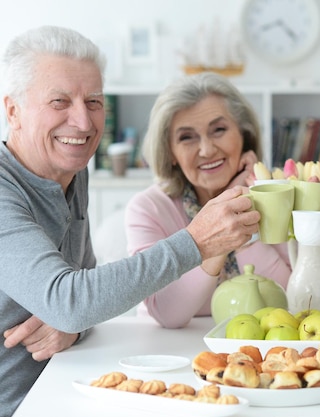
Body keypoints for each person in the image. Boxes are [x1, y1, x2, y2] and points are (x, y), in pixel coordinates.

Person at [0, 26, 258, 417]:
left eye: (93, 101)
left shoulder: (70, 171)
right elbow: (72, 300)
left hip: (63, 385)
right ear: (13, 111)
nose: (83, 123)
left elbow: (80, 298)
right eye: (59, 102)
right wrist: (197, 241)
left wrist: (73, 325)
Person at [125, 72, 291, 328]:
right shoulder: (147, 208)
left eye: (219, 130)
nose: (207, 150)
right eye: (187, 137)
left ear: (244, 136)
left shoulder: (273, 195)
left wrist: (245, 203)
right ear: (170, 153)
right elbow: (169, 314)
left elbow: (288, 297)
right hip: (169, 350)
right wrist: (228, 216)